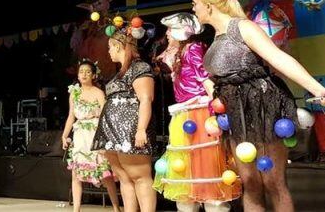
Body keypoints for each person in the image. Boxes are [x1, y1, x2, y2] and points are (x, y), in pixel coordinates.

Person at [191, 0, 325, 212]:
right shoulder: (216, 38)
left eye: (195, 4)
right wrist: (210, 85)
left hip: (262, 107)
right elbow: (222, 78)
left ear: (208, 6)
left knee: (273, 182)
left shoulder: (243, 28)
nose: (194, 9)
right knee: (250, 183)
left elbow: (278, 59)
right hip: (236, 114)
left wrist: (317, 89)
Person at [153, 13, 240, 211]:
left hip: (199, 113)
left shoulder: (194, 48)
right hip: (184, 112)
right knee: (186, 170)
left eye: (170, 29)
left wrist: (214, 111)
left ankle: (213, 206)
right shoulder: (180, 52)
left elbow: (206, 80)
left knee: (206, 167)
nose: (167, 34)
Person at [92, 29, 157, 212]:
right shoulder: (120, 72)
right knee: (123, 177)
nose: (108, 52)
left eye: (110, 48)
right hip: (112, 131)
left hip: (130, 130)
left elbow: (145, 99)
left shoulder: (139, 67)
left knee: (140, 177)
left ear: (118, 46)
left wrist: (141, 129)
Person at [60, 59, 121, 212]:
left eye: (88, 72)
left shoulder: (99, 93)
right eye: (81, 72)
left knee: (105, 173)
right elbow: (70, 116)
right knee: (76, 173)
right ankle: (77, 209)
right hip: (80, 135)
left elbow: (104, 118)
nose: (84, 74)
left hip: (95, 134)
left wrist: (103, 138)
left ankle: (116, 207)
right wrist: (64, 135)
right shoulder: (74, 93)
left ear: (94, 75)